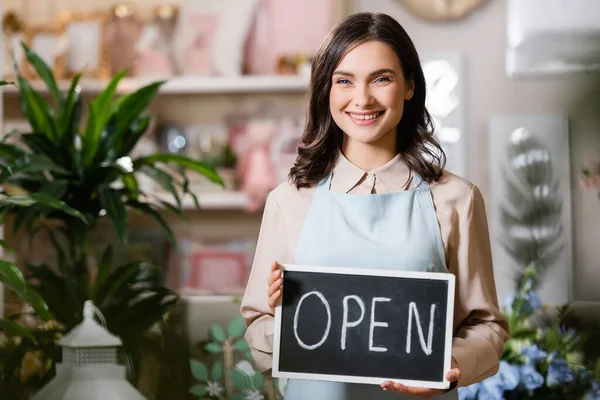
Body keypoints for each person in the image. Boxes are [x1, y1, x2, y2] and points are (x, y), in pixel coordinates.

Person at [241, 11, 509, 400]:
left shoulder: (456, 200)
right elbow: (257, 326)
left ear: (409, 86)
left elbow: (487, 325)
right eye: (344, 81)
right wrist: (286, 319)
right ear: (326, 91)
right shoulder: (289, 201)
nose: (362, 99)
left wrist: (447, 365)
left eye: (381, 79)